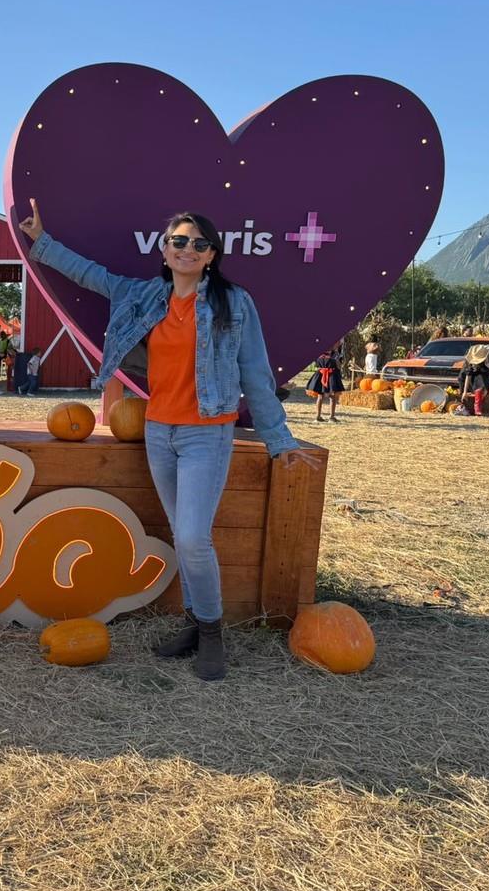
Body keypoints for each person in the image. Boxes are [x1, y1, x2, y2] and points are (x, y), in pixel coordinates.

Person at [19, 198, 321, 680]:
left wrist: (278, 440)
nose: (187, 249)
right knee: (182, 535)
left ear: (211, 256)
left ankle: (212, 635)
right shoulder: (143, 296)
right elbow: (90, 274)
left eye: (198, 244)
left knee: (193, 537)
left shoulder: (233, 303)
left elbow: (256, 374)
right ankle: (193, 624)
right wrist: (42, 242)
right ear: (164, 250)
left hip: (207, 434)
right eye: (178, 241)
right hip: (159, 432)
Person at [306, 339, 345, 422]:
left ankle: (318, 416)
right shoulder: (335, 354)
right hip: (331, 375)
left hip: (320, 375)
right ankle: (331, 417)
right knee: (333, 397)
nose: (338, 344)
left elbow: (316, 363)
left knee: (320, 396)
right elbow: (338, 366)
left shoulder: (319, 354)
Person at [458, 343, 489, 415]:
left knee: (482, 379)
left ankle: (477, 406)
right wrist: (464, 392)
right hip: (467, 378)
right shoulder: (468, 362)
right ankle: (465, 405)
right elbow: (468, 375)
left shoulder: (487, 360)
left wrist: (488, 388)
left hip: (481, 377)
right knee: (461, 377)